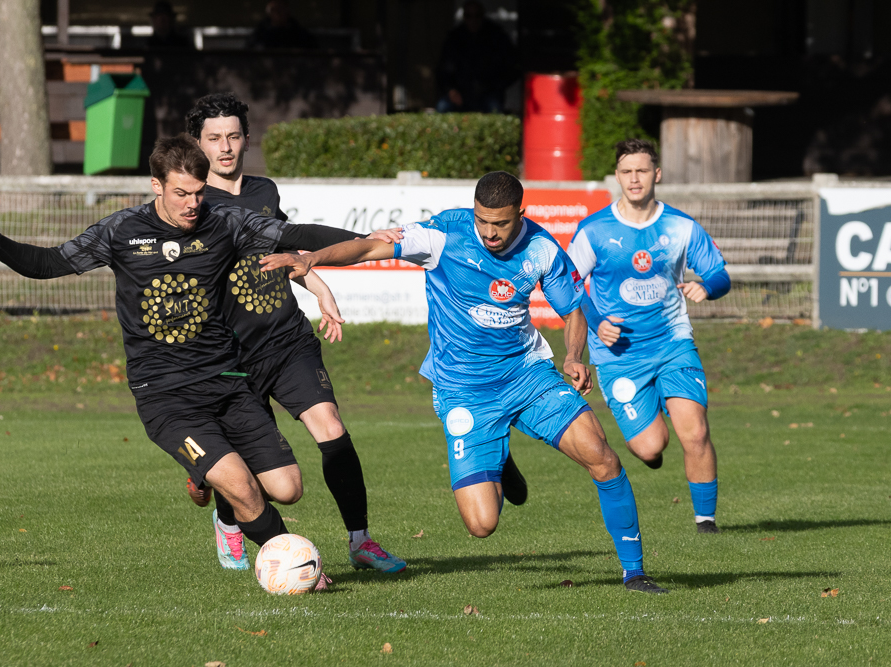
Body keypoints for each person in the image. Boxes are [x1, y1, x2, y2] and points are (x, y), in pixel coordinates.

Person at [0, 135, 363, 577]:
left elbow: (294, 235)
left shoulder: (224, 221)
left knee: (287, 488)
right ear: (157, 185)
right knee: (244, 490)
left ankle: (207, 474)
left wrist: (368, 241)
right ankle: (295, 567)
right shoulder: (121, 231)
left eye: (199, 192)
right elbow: (48, 263)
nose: (193, 204)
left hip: (228, 382)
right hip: (166, 395)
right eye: (181, 193)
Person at [261, 171, 669, 594]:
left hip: (527, 376)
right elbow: (368, 247)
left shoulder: (542, 248)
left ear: (521, 214)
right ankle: (500, 459)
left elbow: (573, 313)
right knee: (481, 524)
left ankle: (635, 572)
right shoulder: (443, 234)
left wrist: (572, 356)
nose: (490, 233)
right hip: (464, 391)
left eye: (501, 223)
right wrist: (314, 259)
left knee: (603, 458)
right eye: (482, 221)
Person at [184, 92, 406, 574]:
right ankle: (228, 519)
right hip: (230, 355)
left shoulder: (265, 191)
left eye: (233, 136)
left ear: (247, 139)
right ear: (198, 144)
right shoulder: (193, 205)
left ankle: (361, 541)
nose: (225, 147)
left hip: (285, 339)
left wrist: (319, 286)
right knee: (250, 464)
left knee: (331, 426)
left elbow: (286, 248)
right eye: (214, 138)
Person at [566, 138, 730, 534]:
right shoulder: (594, 230)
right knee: (650, 446)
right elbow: (568, 285)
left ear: (657, 174)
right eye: (627, 171)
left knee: (695, 430)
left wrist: (707, 287)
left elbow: (719, 273)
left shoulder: (680, 226)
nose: (634, 178)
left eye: (641, 170)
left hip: (673, 343)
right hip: (618, 355)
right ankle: (651, 430)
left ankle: (706, 522)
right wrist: (596, 319)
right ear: (617, 176)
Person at [436, 1, 518, 113]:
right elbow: (442, 70)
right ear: (464, 17)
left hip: (488, 93)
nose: (473, 20)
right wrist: (451, 90)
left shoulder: (496, 36)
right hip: (460, 93)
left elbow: (513, 65)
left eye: (477, 15)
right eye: (468, 16)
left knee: (494, 108)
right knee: (442, 107)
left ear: (482, 16)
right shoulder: (454, 38)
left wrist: (496, 87)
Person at [247, 0, 317, 50]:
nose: (277, 14)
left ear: (287, 11)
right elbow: (251, 47)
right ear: (269, 12)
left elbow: (311, 47)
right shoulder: (261, 31)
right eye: (273, 10)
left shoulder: (297, 31)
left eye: (280, 9)